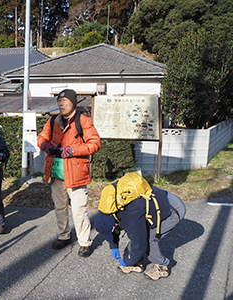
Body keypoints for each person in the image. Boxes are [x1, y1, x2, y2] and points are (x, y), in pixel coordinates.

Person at [37, 89, 101, 257]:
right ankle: (63, 236)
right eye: (59, 101)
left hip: (76, 174)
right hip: (56, 174)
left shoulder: (82, 120)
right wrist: (45, 146)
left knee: (79, 210)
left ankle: (85, 243)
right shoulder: (52, 121)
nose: (61, 104)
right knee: (59, 208)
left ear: (73, 103)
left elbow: (95, 144)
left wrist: (72, 150)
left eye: (65, 101)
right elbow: (41, 138)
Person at [95, 185, 186, 280]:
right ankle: (136, 261)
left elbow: (140, 243)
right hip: (159, 200)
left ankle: (161, 266)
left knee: (149, 238)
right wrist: (113, 246)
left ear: (116, 224)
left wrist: (127, 261)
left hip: (173, 209)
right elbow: (113, 229)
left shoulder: (131, 217)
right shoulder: (110, 210)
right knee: (139, 234)